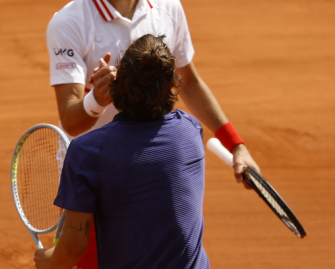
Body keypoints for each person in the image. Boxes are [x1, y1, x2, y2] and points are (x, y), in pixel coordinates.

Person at [45, 0, 261, 267]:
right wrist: (96, 99)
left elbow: (188, 82)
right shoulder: (69, 24)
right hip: (94, 173)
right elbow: (71, 120)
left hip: (151, 165)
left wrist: (236, 145)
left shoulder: (167, 6)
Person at [35, 34, 210, 269]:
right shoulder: (190, 130)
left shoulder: (87, 152)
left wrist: (49, 262)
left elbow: (73, 248)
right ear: (171, 85)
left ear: (120, 85)